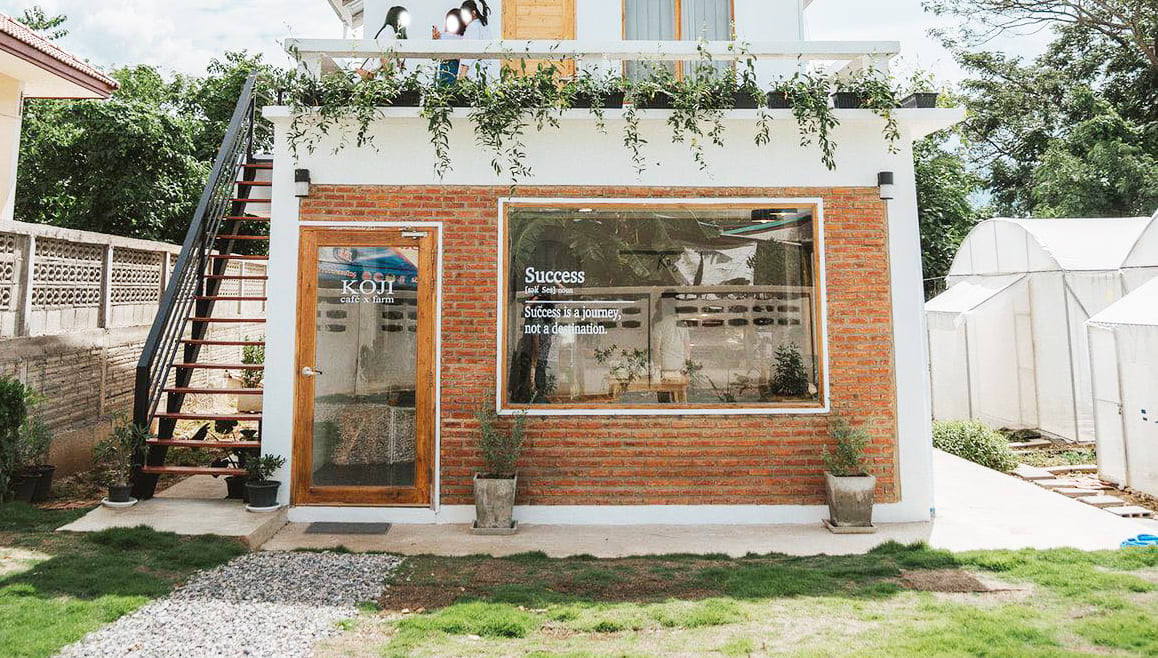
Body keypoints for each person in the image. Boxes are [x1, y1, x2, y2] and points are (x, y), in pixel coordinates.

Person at [356, 5, 410, 79]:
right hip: (383, 78)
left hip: (381, 77)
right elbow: (384, 59)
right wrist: (391, 76)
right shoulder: (388, 32)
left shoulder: (390, 33)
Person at [458, 0, 494, 81]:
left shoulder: (473, 27)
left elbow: (469, 52)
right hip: (484, 72)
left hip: (473, 73)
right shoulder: (485, 27)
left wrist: (462, 75)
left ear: (473, 13)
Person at [432, 9, 466, 85]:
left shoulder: (463, 37)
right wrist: (435, 40)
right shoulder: (443, 35)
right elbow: (434, 57)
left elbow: (464, 59)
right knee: (444, 86)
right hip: (444, 68)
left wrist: (451, 55)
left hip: (456, 68)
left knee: (453, 87)